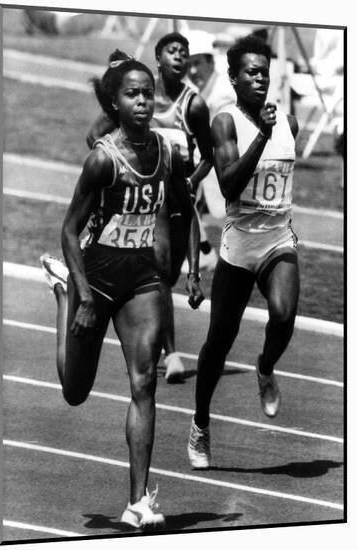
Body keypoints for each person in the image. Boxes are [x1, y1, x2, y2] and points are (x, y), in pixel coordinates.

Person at [40, 50, 203, 528]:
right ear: (113, 104)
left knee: (144, 380)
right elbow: (69, 231)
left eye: (147, 94)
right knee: (74, 391)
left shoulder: (166, 153)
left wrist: (193, 268)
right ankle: (61, 291)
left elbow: (185, 208)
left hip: (142, 277)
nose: (143, 102)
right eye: (132, 94)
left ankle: (137, 501)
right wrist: (84, 296)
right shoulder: (102, 160)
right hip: (96, 277)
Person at [187, 35, 300, 469]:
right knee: (219, 341)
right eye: (250, 72)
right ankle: (200, 424)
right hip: (239, 244)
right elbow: (230, 184)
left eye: (264, 72)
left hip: (276, 240)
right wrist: (262, 137)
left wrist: (274, 131)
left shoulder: (289, 123)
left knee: (284, 314)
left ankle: (266, 367)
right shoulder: (225, 122)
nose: (259, 78)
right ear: (233, 77)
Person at [87, 32, 213, 383]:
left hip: (181, 194)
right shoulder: (138, 94)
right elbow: (94, 134)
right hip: (151, 197)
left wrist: (192, 179)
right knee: (156, 275)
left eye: (184, 53)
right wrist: (117, 160)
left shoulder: (194, 105)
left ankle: (158, 338)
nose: (179, 57)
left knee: (168, 276)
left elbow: (210, 155)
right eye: (172, 51)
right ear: (158, 58)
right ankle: (170, 353)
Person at [185, 29, 236, 223]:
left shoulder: (222, 95)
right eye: (188, 65)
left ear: (211, 62)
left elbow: (226, 143)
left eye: (197, 63)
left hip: (222, 175)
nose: (192, 71)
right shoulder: (203, 89)